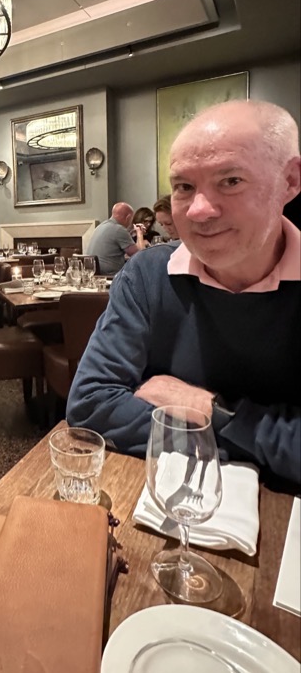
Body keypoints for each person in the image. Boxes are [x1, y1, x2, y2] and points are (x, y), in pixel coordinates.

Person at [67, 100, 301, 486]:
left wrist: (207, 408)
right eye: (184, 187)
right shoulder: (148, 275)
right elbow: (91, 405)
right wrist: (266, 444)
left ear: (289, 181)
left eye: (231, 181)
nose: (199, 210)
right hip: (164, 497)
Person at [87, 202, 146, 275]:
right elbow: (140, 256)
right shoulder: (119, 229)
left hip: (94, 274)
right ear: (128, 217)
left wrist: (130, 233)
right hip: (111, 276)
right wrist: (140, 233)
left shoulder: (101, 226)